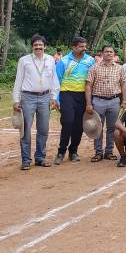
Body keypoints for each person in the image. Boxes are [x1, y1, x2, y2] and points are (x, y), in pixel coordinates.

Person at [12, 34, 60, 170]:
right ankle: (26, 160)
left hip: (45, 98)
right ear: (32, 47)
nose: (38, 47)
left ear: (45, 46)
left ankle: (40, 158)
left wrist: (54, 97)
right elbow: (18, 80)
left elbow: (54, 79)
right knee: (25, 129)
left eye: (40, 45)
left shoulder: (50, 59)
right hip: (28, 97)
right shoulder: (24, 61)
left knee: (43, 129)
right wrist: (16, 100)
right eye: (35, 45)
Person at [55, 36, 96, 165]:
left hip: (83, 96)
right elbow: (57, 80)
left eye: (85, 46)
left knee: (79, 125)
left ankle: (73, 151)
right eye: (81, 46)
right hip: (66, 94)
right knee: (67, 122)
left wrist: (91, 99)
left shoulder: (90, 61)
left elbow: (92, 80)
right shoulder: (64, 61)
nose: (84, 49)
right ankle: (61, 152)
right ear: (73, 47)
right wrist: (56, 99)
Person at [85, 44, 126, 162]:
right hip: (98, 100)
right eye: (106, 51)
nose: (109, 53)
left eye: (111, 52)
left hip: (114, 101)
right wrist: (89, 103)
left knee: (112, 128)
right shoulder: (94, 68)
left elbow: (123, 85)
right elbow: (88, 86)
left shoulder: (120, 68)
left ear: (114, 54)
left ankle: (109, 151)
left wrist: (124, 100)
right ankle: (98, 152)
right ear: (102, 53)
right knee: (97, 127)